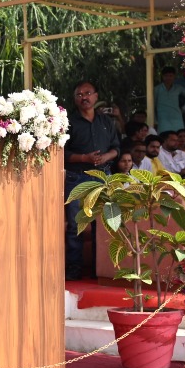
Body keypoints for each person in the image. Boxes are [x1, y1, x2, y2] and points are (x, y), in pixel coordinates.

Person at [62, 80, 121, 279]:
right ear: (74, 99)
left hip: (103, 177)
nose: (84, 97)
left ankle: (100, 269)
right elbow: (62, 153)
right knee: (75, 225)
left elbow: (117, 148)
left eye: (88, 93)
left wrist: (106, 157)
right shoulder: (67, 121)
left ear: (96, 96)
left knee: (103, 226)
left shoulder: (106, 122)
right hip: (76, 177)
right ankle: (74, 269)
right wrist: (83, 158)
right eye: (79, 94)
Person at [153, 66, 185, 135]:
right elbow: (153, 106)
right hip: (162, 120)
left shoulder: (178, 88)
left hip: (177, 119)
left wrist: (183, 108)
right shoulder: (157, 89)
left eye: (171, 76)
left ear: (174, 76)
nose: (168, 78)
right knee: (163, 138)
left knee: (178, 138)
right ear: (162, 76)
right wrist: (155, 121)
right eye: (166, 76)